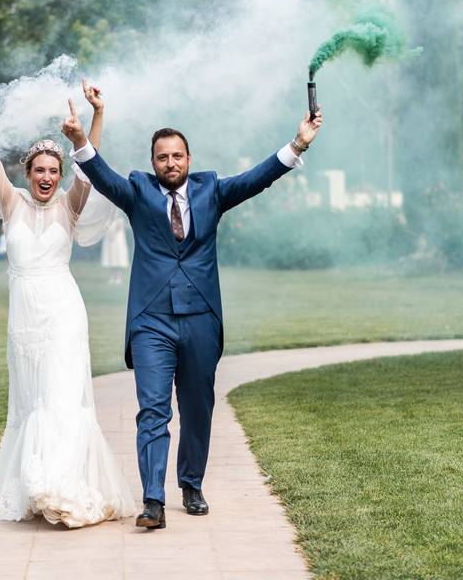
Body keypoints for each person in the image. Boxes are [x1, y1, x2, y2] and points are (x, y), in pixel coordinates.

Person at [63, 99, 324, 530]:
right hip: (151, 320)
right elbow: (103, 178)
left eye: (177, 155)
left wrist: (298, 143)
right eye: (162, 157)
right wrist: (79, 141)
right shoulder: (138, 191)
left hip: (202, 317)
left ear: (189, 159)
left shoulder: (212, 190)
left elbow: (258, 179)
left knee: (198, 407)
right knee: (153, 410)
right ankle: (152, 500)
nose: (170, 162)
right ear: (152, 163)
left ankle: (191, 484)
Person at [0, 74, 134, 527]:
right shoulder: (10, 203)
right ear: (29, 174)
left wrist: (96, 117)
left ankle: (59, 480)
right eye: (41, 171)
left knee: (60, 396)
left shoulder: (70, 206)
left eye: (54, 171)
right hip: (24, 317)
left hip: (63, 313)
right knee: (31, 398)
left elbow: (89, 168)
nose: (48, 177)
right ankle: (29, 478)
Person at [100, 214, 129, 285]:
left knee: (118, 258)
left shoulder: (120, 218)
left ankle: (119, 278)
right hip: (109, 240)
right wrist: (108, 233)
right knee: (111, 258)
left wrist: (113, 232)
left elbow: (120, 226)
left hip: (118, 240)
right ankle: (112, 278)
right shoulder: (107, 218)